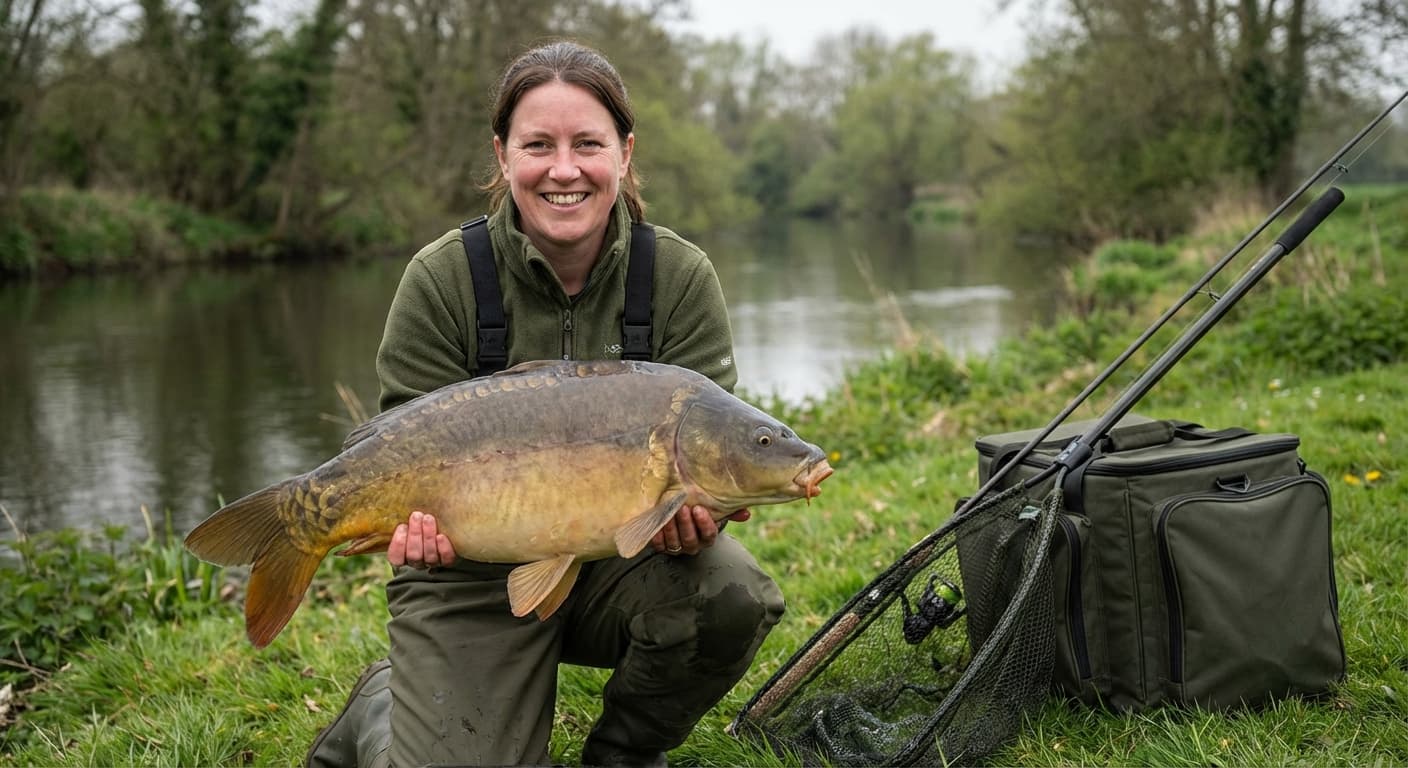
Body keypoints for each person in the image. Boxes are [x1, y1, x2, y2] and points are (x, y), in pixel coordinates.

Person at [305, 40, 785, 768]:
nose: (565, 169)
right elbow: (398, 446)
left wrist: (693, 515)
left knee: (732, 593)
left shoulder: (679, 276)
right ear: (502, 156)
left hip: (621, 564)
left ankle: (624, 755)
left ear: (624, 154)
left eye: (587, 144)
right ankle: (385, 704)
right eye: (539, 145)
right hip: (468, 575)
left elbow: (714, 429)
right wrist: (407, 530)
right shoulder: (442, 279)